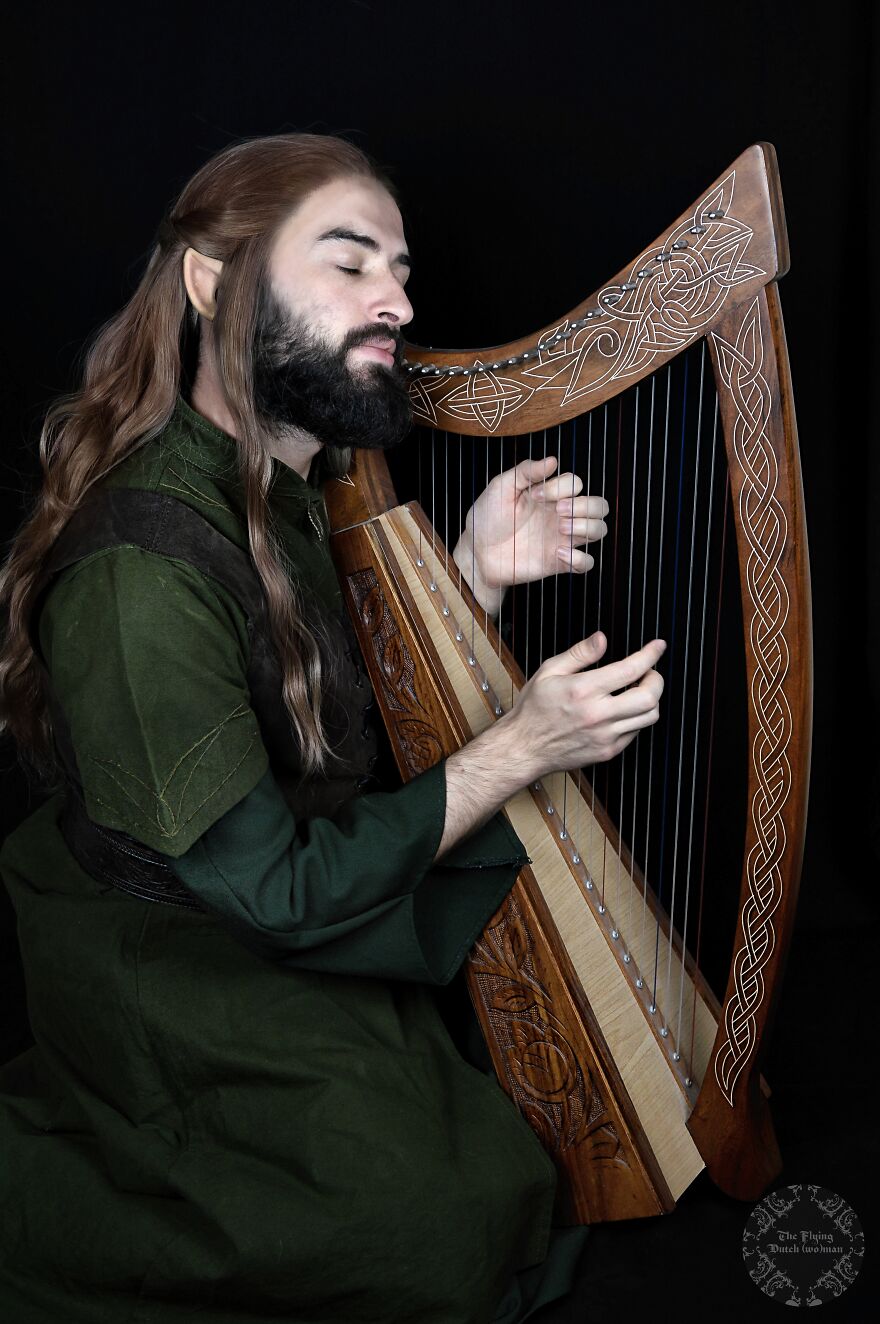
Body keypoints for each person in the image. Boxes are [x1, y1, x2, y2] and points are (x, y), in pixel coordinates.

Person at [0, 133, 665, 1323]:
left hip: (272, 894)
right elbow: (276, 892)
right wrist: (522, 745)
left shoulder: (281, 487)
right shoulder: (136, 574)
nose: (397, 301)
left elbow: (321, 718)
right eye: (350, 263)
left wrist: (472, 575)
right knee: (440, 1224)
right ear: (213, 283)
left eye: (399, 271)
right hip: (177, 954)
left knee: (501, 1116)